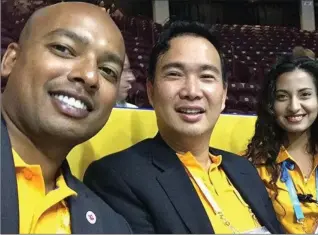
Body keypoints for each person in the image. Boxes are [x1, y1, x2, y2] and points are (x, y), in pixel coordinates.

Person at [84, 21, 284, 234]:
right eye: (174, 74)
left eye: (207, 76)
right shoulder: (118, 177)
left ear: (224, 94)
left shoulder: (244, 170)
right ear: (151, 91)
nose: (192, 91)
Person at [1, 2, 131, 234]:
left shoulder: (112, 226)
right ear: (10, 60)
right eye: (63, 49)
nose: (90, 76)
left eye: (108, 71)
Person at [244, 55, 318, 233]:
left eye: (305, 95)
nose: (294, 107)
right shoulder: (250, 167)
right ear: (271, 104)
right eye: (282, 96)